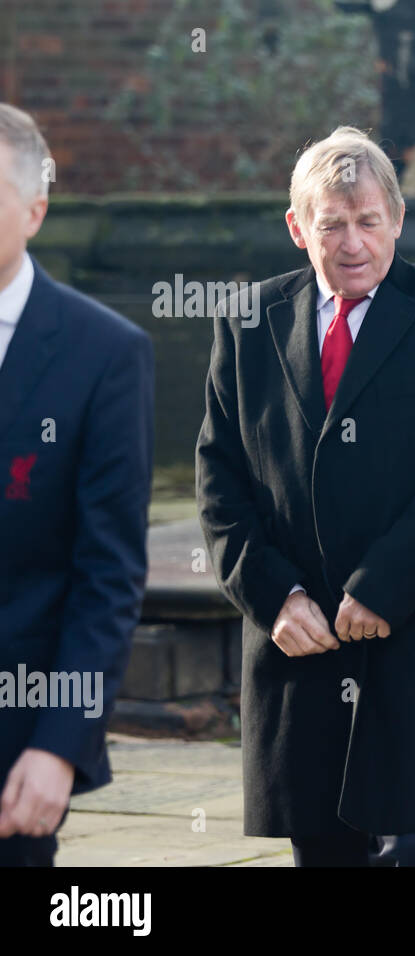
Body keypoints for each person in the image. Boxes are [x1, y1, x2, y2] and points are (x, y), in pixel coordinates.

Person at [196, 126, 415, 866]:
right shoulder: (248, 321)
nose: (352, 243)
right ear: (297, 228)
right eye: (331, 224)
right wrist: (273, 596)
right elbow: (220, 479)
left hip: (414, 634)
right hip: (298, 646)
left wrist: (382, 588)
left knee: (412, 854)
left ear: (397, 219)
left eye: (369, 221)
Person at [0, 103, 154, 866]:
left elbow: (108, 574)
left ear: (36, 208)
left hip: (14, 742)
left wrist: (60, 746)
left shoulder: (104, 355)